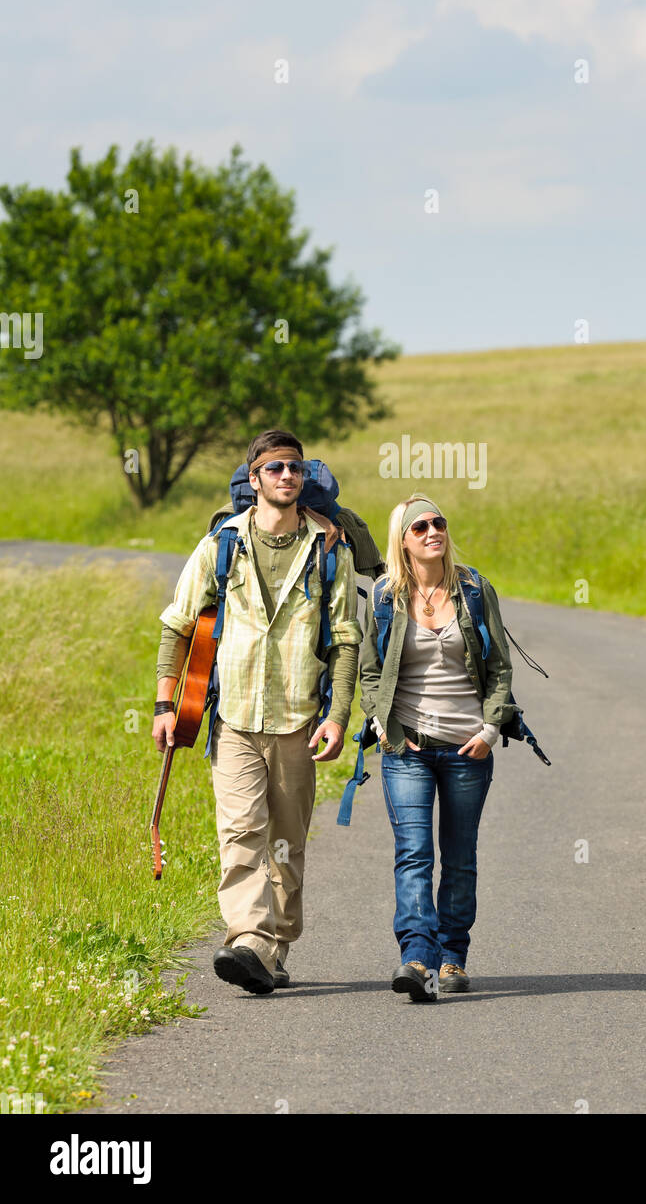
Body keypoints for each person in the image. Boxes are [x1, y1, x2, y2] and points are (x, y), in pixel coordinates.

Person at [152, 429, 362, 995]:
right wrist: (164, 704)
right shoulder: (222, 544)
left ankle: (276, 944)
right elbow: (178, 624)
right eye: (275, 469)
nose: (286, 477)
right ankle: (248, 938)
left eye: (295, 468)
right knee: (242, 832)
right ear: (255, 479)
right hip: (234, 717)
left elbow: (345, 640)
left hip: (299, 717)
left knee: (287, 842)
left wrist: (338, 715)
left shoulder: (327, 550)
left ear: (304, 478)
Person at [360, 494, 515, 1002]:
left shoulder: (473, 589)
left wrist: (491, 729)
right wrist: (381, 721)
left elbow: (499, 669)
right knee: (414, 854)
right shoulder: (385, 596)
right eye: (420, 526)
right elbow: (367, 670)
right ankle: (416, 956)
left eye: (439, 523)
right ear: (402, 540)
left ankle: (453, 958)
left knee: (460, 856)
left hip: (468, 747)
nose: (433, 531)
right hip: (407, 746)